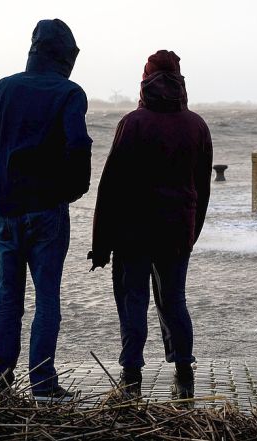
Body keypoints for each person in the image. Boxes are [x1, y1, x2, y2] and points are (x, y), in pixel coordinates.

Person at [0, 18, 91, 402]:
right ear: (65, 56)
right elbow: (78, 146)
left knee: (7, 298)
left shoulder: (3, 88)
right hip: (47, 211)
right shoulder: (69, 93)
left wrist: (11, 164)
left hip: (7, 210)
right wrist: (70, 189)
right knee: (47, 298)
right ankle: (42, 382)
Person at [89, 50, 212, 400]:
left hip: (132, 232)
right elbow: (201, 189)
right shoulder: (196, 126)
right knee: (174, 300)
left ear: (145, 82)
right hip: (177, 231)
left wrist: (100, 244)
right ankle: (184, 373)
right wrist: (192, 233)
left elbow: (109, 186)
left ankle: (131, 378)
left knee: (133, 301)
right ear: (180, 82)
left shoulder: (133, 123)